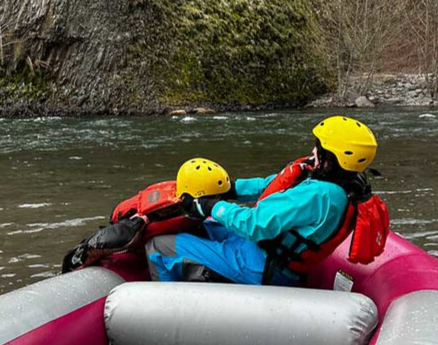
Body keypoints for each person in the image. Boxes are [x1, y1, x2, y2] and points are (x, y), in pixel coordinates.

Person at [145, 116, 388, 286]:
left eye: (318, 147)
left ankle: (168, 310)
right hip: (267, 255)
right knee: (202, 227)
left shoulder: (320, 195)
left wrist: (211, 206)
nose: (313, 151)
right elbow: (270, 184)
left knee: (158, 246)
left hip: (259, 266)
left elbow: (255, 225)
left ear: (332, 157)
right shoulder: (342, 183)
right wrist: (228, 189)